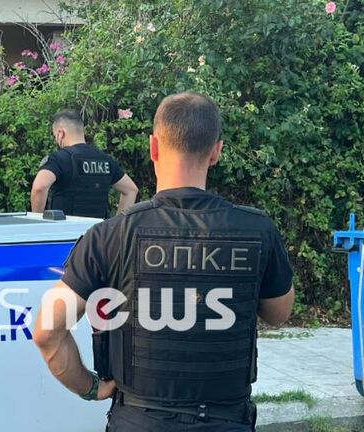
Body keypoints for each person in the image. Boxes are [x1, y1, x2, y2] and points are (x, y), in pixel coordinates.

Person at [33, 92, 295, 431]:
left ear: (153, 147)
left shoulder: (109, 236)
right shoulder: (257, 230)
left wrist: (91, 387)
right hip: (226, 420)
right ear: (216, 152)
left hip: (139, 420)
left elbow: (47, 331)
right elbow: (278, 313)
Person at [31, 109, 138, 218]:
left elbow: (40, 187)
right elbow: (131, 190)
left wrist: (37, 221)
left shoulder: (59, 159)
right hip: (98, 228)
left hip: (65, 228)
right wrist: (116, 225)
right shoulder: (105, 160)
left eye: (55, 136)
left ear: (60, 133)